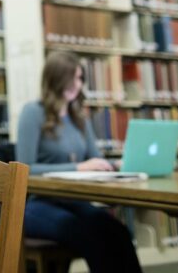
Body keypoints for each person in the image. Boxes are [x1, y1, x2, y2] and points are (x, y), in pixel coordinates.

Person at [15, 51, 142, 273]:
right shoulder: (33, 113)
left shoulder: (79, 118)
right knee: (88, 234)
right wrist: (79, 167)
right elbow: (25, 169)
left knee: (118, 232)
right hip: (38, 204)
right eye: (73, 77)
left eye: (80, 78)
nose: (78, 83)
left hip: (75, 201)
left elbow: (95, 160)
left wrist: (114, 166)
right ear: (56, 78)